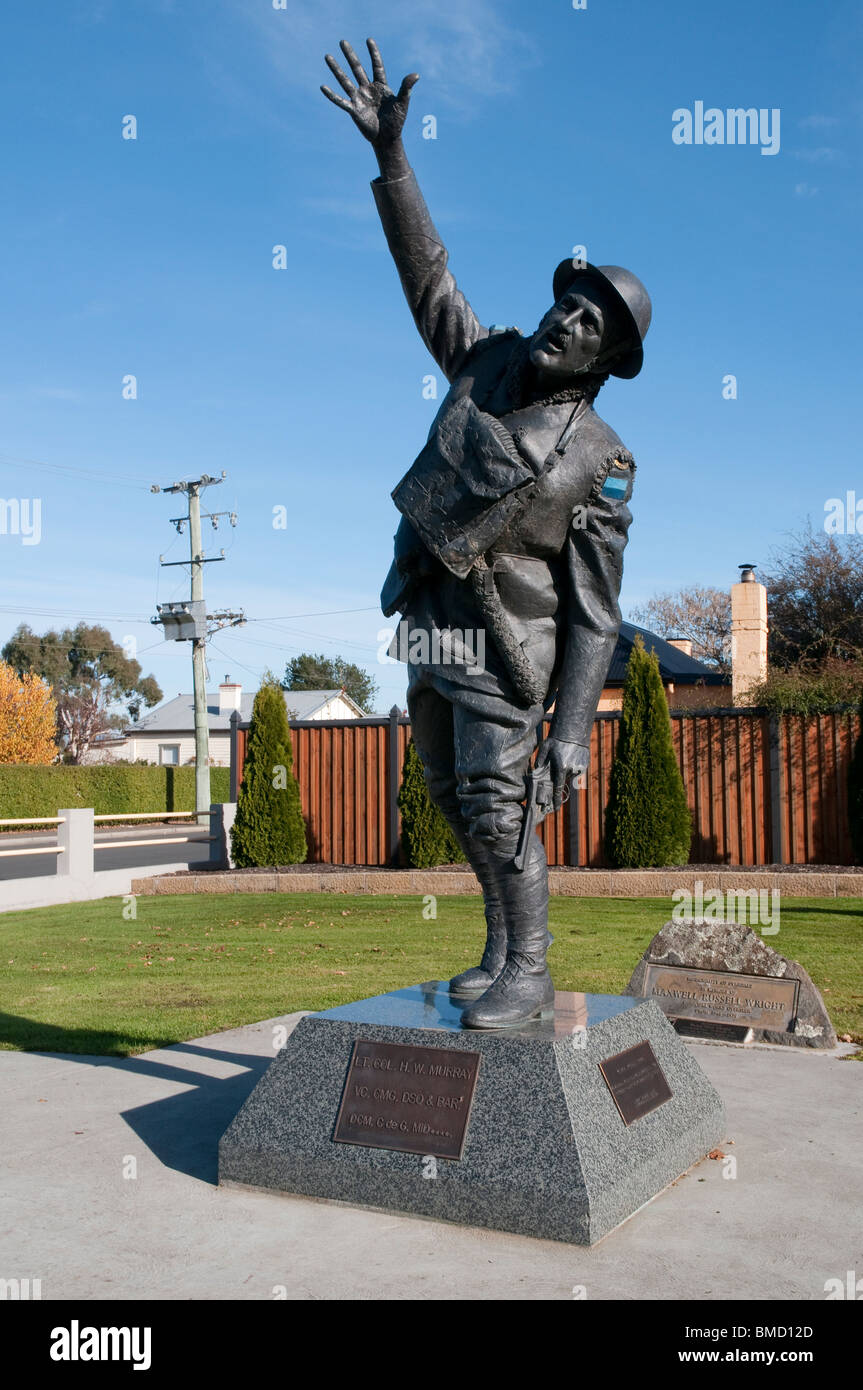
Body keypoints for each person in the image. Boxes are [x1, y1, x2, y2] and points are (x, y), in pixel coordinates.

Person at [322, 39, 651, 1028]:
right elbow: (426, 276)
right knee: (450, 793)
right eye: (566, 303)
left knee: (498, 805)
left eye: (589, 324)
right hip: (432, 618)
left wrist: (572, 730)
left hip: (511, 649)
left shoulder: (601, 457)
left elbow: (596, 610)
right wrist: (392, 159)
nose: (566, 322)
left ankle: (532, 970)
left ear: (605, 360)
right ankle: (501, 948)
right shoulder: (485, 359)